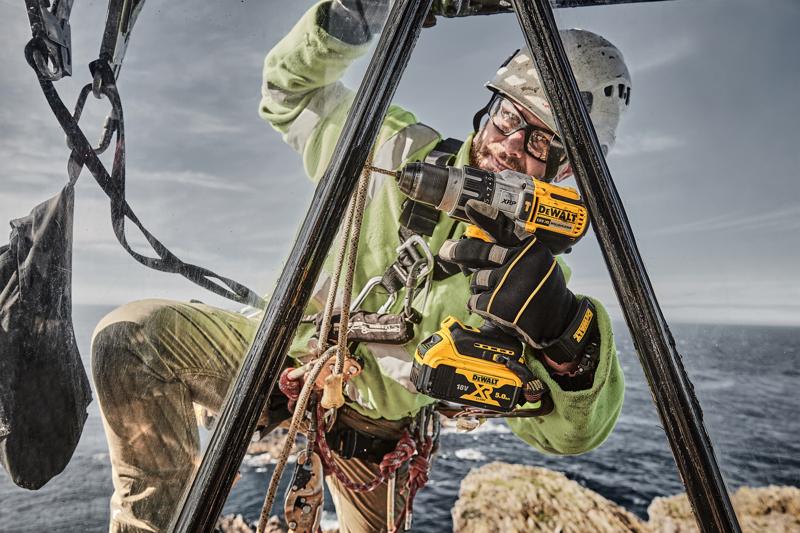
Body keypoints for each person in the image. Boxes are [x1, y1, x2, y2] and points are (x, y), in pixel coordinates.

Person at [91, 1, 631, 531]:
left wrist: (566, 344)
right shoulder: (391, 148)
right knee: (132, 338)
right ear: (488, 109)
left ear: (567, 170)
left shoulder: (530, 286)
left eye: (540, 140)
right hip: (285, 360)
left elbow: (571, 435)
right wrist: (354, 14)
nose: (510, 146)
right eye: (509, 116)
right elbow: (289, 92)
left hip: (376, 440)